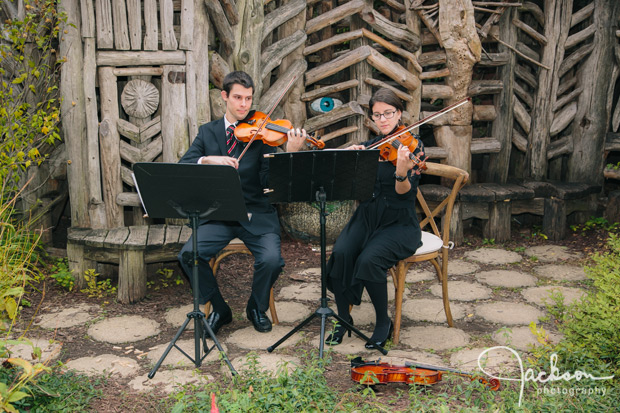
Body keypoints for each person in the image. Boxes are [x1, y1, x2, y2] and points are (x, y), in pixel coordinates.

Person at [177, 71, 307, 334]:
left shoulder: (263, 134)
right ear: (224, 97)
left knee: (272, 260)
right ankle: (220, 308)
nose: (244, 105)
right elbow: (185, 166)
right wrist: (209, 159)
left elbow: (271, 181)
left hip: (256, 213)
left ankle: (256, 307)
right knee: (188, 255)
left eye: (248, 98)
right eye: (238, 97)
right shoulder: (208, 133)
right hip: (218, 214)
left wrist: (290, 153)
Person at [325, 87, 425, 349]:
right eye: (377, 115)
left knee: (370, 259)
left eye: (388, 113)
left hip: (398, 222)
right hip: (367, 217)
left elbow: (404, 193)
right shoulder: (371, 147)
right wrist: (355, 161)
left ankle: (383, 323)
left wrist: (401, 171)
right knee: (342, 252)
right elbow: (356, 190)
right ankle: (343, 319)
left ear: (399, 114)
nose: (382, 120)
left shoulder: (412, 148)